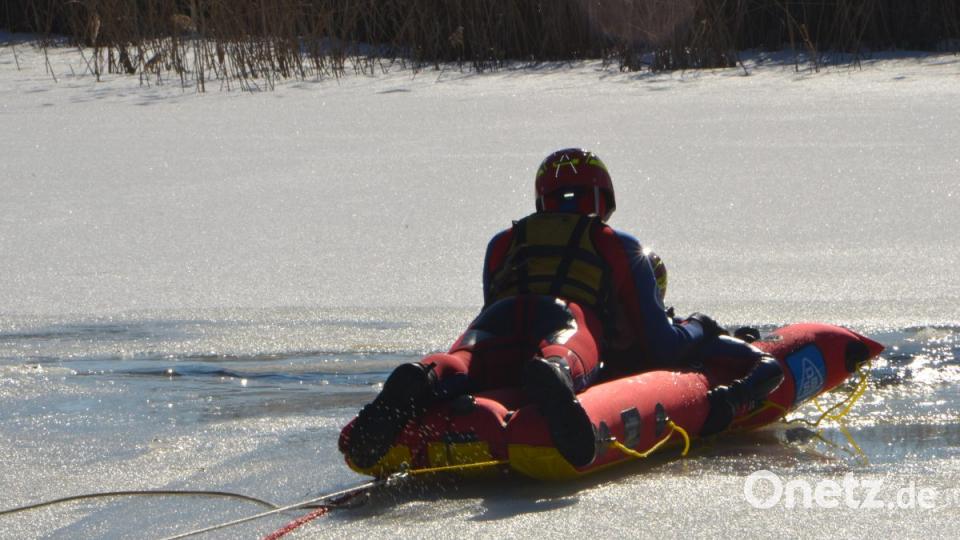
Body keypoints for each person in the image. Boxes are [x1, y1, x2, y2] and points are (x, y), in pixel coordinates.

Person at [346, 148, 778, 469]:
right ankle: (552, 372)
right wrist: (700, 328)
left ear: (541, 200)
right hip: (567, 317)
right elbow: (661, 346)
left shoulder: (504, 243)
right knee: (566, 352)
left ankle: (424, 377)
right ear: (604, 198)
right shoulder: (616, 245)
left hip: (496, 319)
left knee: (467, 359)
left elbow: (495, 300)